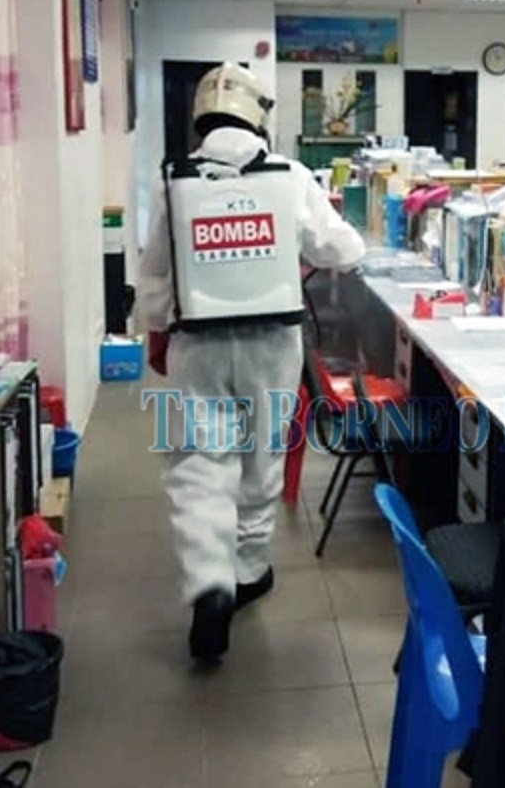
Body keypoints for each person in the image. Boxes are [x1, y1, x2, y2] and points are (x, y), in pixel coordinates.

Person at [136, 62, 365, 663]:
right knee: (261, 457)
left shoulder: (172, 179)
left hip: (199, 345)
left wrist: (156, 331)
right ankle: (248, 569)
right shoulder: (289, 175)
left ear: (201, 120)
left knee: (200, 461)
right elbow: (340, 247)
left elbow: (155, 275)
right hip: (271, 343)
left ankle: (209, 583)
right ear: (258, 116)